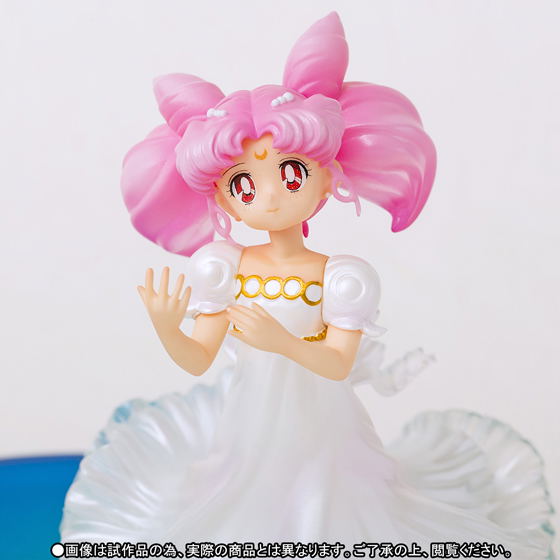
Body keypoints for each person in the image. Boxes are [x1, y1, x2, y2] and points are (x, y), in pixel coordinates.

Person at [60, 12, 555, 559]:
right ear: (223, 199)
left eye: (290, 173)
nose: (270, 196)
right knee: (245, 507)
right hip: (251, 425)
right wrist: (166, 327)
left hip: (324, 427)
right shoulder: (223, 267)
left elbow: (338, 364)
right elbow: (199, 359)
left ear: (326, 177)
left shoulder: (340, 277)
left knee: (335, 508)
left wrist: (281, 342)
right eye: (244, 184)